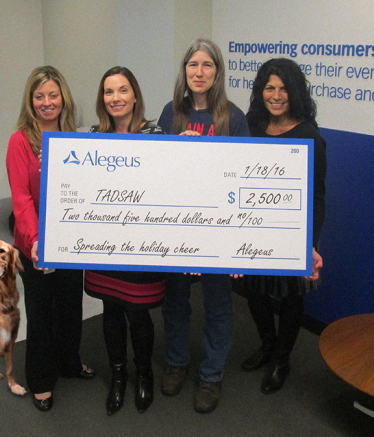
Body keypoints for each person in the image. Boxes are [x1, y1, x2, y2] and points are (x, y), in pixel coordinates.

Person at [157, 38, 250, 414]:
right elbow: (158, 173)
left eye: (207, 65)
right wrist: (177, 150)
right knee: (174, 299)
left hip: (218, 228)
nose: (199, 72)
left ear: (217, 72)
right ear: (184, 71)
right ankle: (177, 363)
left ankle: (211, 376)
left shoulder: (233, 117)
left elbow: (245, 177)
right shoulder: (170, 113)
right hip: (177, 225)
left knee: (217, 304)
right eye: (193, 65)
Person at [6, 66, 95, 412]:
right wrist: (34, 242)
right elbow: (21, 200)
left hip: (70, 239)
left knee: (71, 307)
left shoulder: (73, 136)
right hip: (36, 243)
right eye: (40, 96)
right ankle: (41, 379)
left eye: (53, 95)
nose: (47, 103)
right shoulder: (20, 141)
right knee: (42, 313)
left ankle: (69, 363)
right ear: (30, 100)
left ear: (63, 98)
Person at [240, 57, 326, 394]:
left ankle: (282, 358)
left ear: (295, 92)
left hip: (291, 233)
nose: (275, 95)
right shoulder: (250, 126)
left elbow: (317, 197)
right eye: (269, 88)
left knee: (290, 297)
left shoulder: (309, 136)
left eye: (283, 88)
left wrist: (310, 243)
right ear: (261, 91)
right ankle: (267, 344)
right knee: (255, 291)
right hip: (252, 228)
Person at [83, 66, 166, 415]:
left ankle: (143, 372)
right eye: (108, 92)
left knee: (138, 311)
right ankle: (119, 374)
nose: (115, 98)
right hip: (104, 243)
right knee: (111, 308)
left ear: (135, 95)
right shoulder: (91, 137)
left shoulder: (156, 133)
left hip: (142, 244)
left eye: (122, 90)